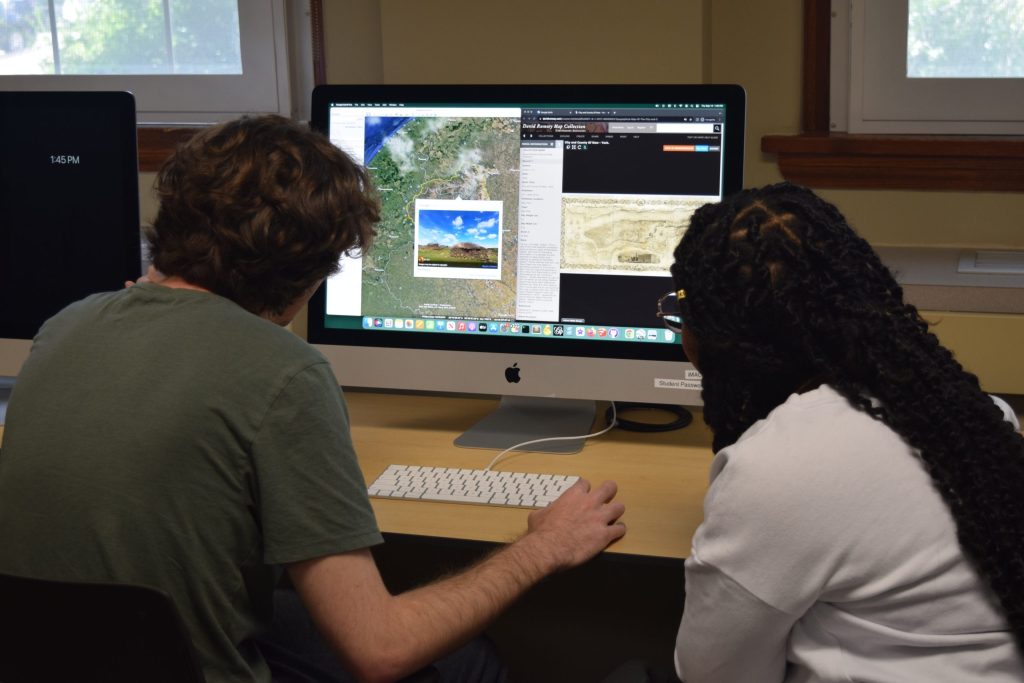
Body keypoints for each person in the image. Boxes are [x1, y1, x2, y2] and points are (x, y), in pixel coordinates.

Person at [0, 115, 626, 683]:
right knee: (469, 666)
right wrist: (545, 547)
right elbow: (378, 651)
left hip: (64, 658)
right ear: (309, 274)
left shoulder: (66, 323)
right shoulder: (283, 373)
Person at [665, 183, 1024, 682]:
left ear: (718, 343)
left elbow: (715, 674)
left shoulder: (774, 472)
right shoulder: (980, 417)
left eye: (683, 315)